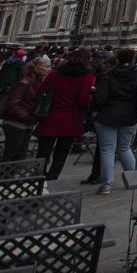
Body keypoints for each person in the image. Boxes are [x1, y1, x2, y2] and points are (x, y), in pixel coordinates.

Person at [34, 48, 96, 180]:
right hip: (70, 120)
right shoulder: (87, 76)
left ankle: (37, 179)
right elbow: (82, 100)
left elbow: (40, 91)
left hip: (49, 117)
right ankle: (52, 179)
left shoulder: (55, 73)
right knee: (61, 153)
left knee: (43, 152)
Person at [91, 48, 137, 195]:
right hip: (129, 116)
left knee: (107, 150)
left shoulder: (107, 75)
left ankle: (106, 185)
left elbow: (100, 99)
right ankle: (132, 179)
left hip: (108, 115)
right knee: (124, 148)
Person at [0, 55, 50, 160]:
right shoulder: (25, 82)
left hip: (27, 123)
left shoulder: (37, 82)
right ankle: (3, 175)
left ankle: (11, 175)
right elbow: (13, 103)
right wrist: (26, 117)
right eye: (47, 66)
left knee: (20, 155)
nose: (49, 69)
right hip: (16, 123)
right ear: (37, 68)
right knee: (12, 154)